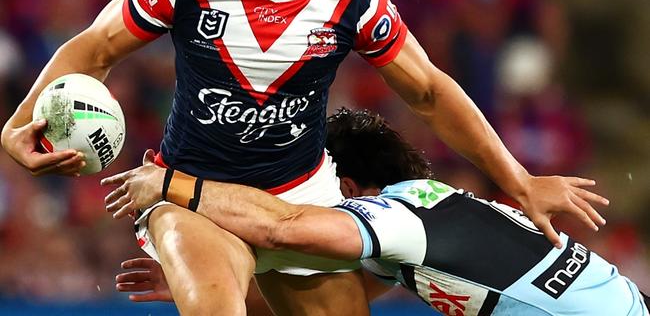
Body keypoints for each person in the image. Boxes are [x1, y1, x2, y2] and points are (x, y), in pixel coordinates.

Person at [1, 0, 606, 314]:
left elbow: (427, 90)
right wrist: (19, 124)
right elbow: (95, 49)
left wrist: (520, 181)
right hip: (187, 195)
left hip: (302, 196)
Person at [104, 108, 648, 316]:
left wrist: (170, 184)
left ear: (342, 185)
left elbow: (281, 224)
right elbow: (338, 289)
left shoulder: (397, 219)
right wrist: (205, 276)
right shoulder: (441, 207)